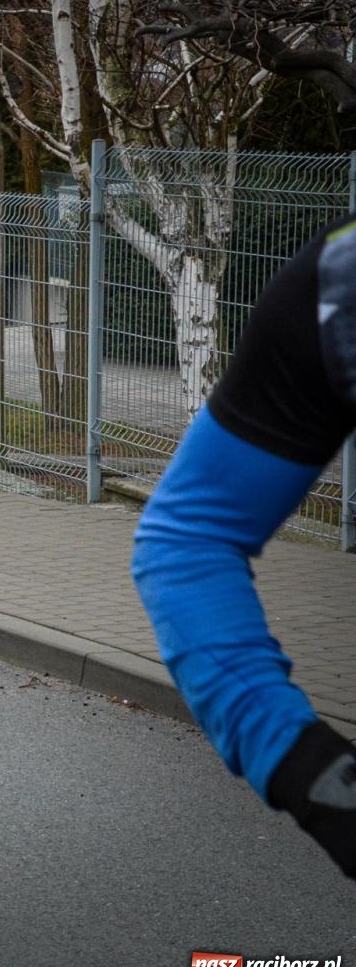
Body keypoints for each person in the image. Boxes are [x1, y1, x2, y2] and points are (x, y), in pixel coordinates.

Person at [131, 214, 356, 881]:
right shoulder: (337, 283)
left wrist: (315, 777)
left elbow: (184, 545)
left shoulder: (334, 277)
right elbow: (187, 541)